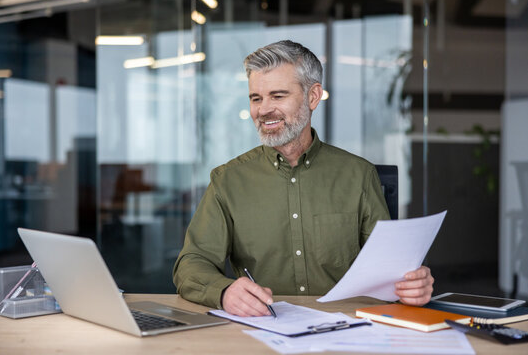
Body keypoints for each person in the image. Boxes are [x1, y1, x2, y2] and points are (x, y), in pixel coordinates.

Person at [173, 40, 434, 317]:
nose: (263, 110)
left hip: (346, 331)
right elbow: (192, 263)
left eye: (278, 96)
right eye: (256, 98)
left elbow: (390, 271)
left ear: (313, 96)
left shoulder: (359, 176)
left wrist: (412, 285)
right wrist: (224, 292)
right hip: (262, 330)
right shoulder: (227, 180)